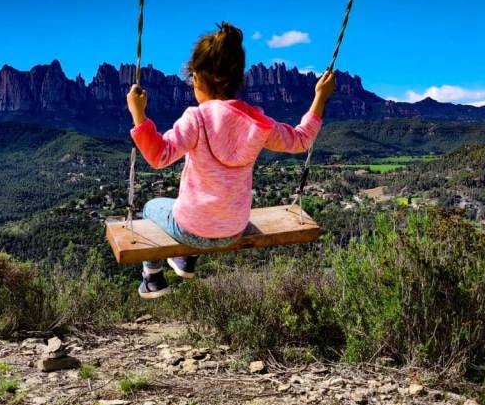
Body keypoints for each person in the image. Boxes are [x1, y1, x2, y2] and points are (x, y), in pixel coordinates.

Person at [125, 21, 336, 298]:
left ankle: (153, 279)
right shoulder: (258, 122)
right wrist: (320, 98)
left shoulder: (197, 118)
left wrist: (138, 114)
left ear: (196, 78)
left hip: (190, 228)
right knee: (192, 210)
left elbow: (159, 155)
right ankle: (184, 259)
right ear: (238, 80)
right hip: (233, 230)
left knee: (151, 206)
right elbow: (301, 139)